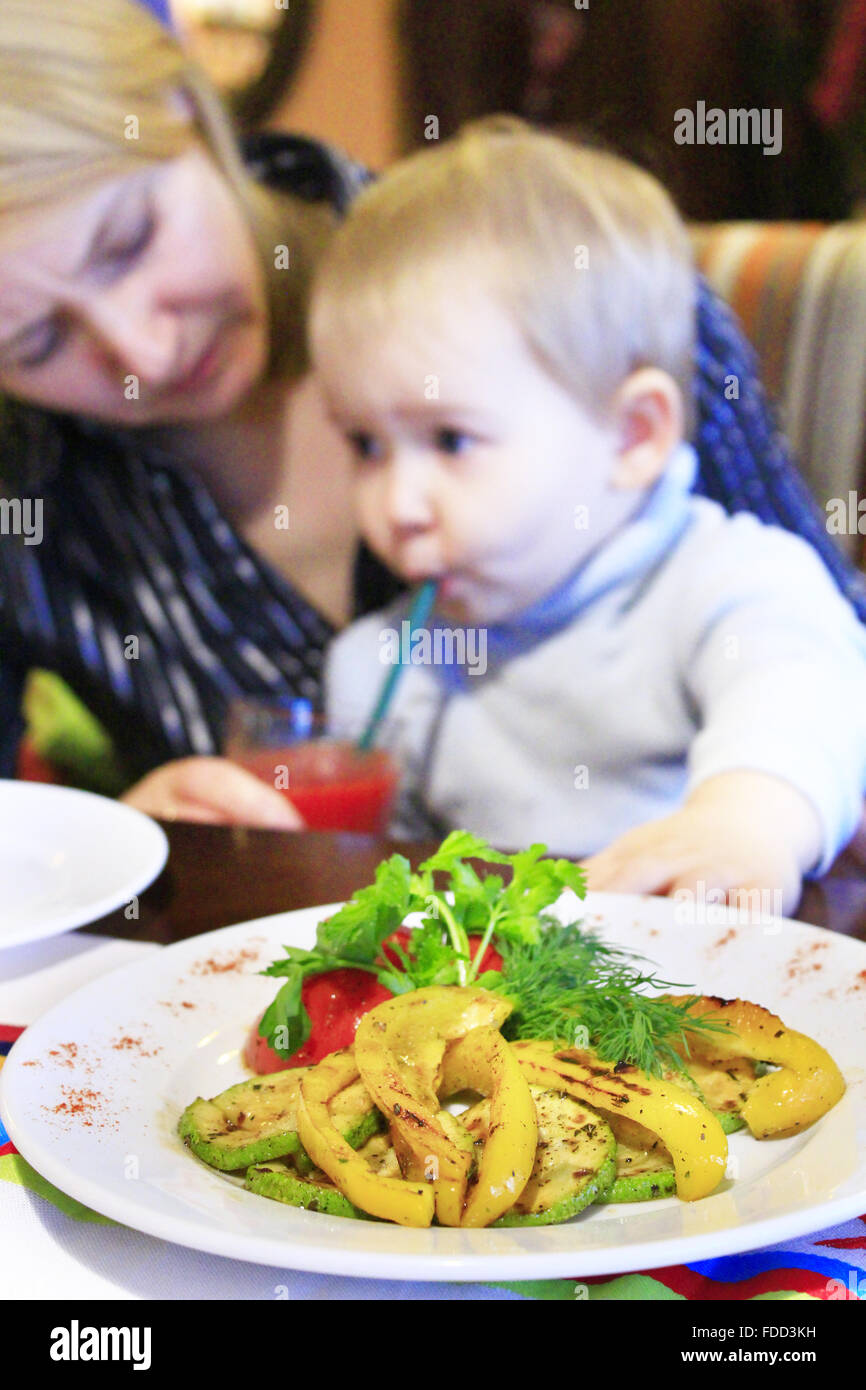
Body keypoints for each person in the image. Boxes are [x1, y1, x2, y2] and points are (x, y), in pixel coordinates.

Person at [1, 1, 865, 850]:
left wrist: (754, 820)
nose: (142, 354)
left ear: (188, 106)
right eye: (36, 341)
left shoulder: (559, 287)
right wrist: (125, 840)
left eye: (129, 239)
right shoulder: (30, 488)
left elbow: (815, 670)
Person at [312, 118, 866, 910]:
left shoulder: (724, 580)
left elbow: (805, 688)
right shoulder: (385, 668)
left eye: (452, 439)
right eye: (366, 444)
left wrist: (746, 823)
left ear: (631, 436)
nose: (396, 505)